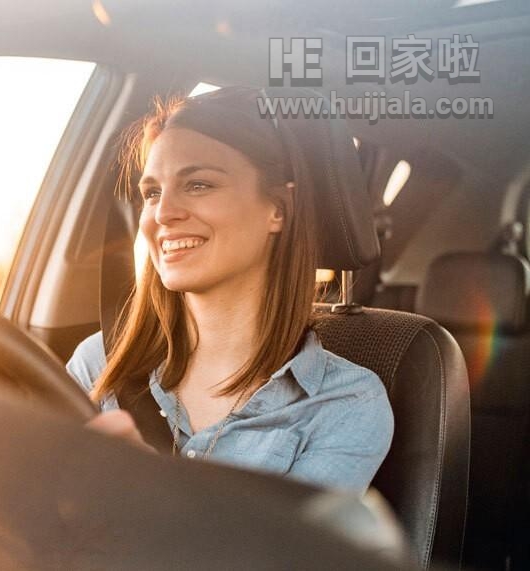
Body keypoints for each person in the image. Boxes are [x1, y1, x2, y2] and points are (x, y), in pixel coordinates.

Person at [66, 88, 393, 493]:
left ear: (278, 209)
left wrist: (147, 495)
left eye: (198, 184)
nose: (163, 214)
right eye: (152, 193)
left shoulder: (345, 403)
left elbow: (279, 557)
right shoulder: (98, 364)